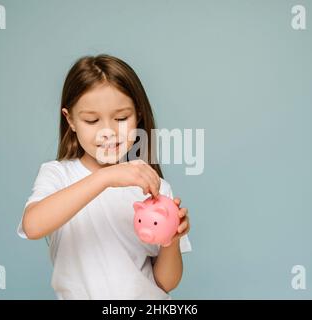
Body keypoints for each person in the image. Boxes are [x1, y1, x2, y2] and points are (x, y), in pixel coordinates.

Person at [17, 54, 192, 299]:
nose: (108, 132)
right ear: (71, 120)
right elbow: (33, 226)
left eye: (121, 118)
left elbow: (166, 283)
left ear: (138, 114)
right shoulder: (58, 174)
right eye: (92, 120)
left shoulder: (153, 185)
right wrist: (106, 177)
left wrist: (170, 240)